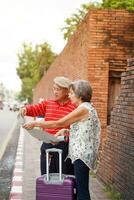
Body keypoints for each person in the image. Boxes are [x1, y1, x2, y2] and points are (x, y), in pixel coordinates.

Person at [23, 80, 101, 200]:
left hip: (81, 155)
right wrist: (67, 131)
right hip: (81, 154)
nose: (70, 95)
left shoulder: (83, 109)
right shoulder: (86, 108)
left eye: (71, 93)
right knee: (80, 188)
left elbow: (60, 122)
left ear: (79, 95)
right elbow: (84, 130)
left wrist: (35, 123)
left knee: (82, 190)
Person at [20, 76, 76, 175]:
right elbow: (35, 108)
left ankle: (62, 189)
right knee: (46, 174)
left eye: (58, 89)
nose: (55, 92)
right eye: (54, 89)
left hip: (64, 144)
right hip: (47, 142)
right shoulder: (49, 103)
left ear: (67, 91)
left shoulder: (74, 106)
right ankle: (46, 188)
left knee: (62, 174)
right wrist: (26, 109)